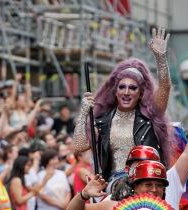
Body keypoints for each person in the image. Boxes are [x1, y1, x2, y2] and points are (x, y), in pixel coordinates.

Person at [67, 89, 188, 210]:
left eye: (158, 184)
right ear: (134, 184)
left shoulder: (171, 196)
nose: (154, 188)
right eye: (147, 183)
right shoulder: (113, 201)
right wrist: (84, 194)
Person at [73, 28, 172, 179]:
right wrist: (84, 112)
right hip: (113, 187)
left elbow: (164, 88)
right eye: (122, 87)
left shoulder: (150, 118)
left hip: (145, 183)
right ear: (115, 91)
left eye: (133, 88)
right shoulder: (103, 122)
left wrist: (161, 59)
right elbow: (79, 146)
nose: (126, 92)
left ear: (140, 94)